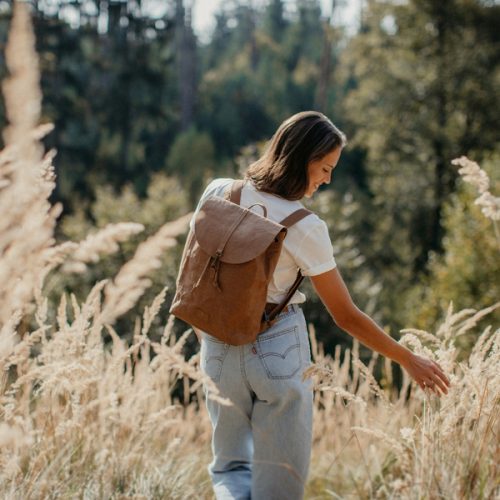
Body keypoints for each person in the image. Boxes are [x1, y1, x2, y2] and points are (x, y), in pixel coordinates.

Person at [191, 111, 450, 500]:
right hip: (277, 351)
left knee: (230, 470)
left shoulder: (218, 191)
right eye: (325, 168)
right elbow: (345, 315)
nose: (327, 179)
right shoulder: (305, 227)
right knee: (279, 483)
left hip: (217, 349)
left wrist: (210, 337)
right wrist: (406, 358)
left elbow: (195, 276)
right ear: (300, 158)